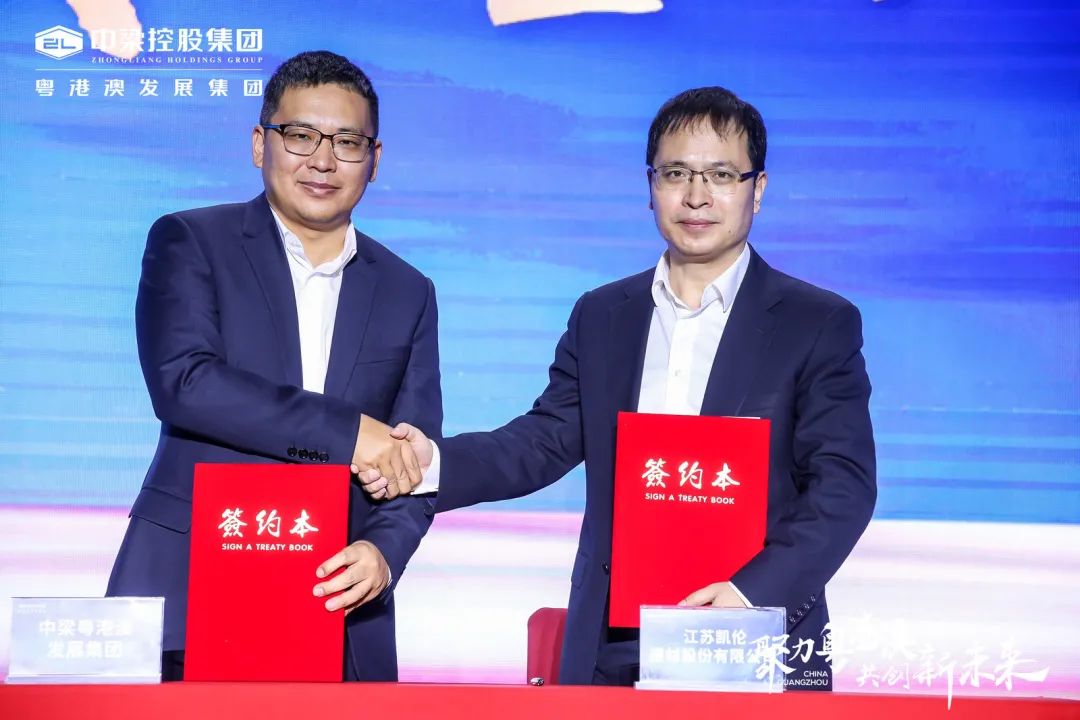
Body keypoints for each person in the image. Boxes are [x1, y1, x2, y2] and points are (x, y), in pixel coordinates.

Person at [364, 87, 876, 688]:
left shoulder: (816, 323)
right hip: (613, 643)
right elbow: (544, 441)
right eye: (676, 173)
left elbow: (843, 487)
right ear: (650, 185)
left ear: (757, 189)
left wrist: (749, 595)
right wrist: (430, 464)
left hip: (754, 636)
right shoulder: (604, 315)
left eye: (721, 175)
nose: (696, 196)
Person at [106, 50, 442, 682]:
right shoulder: (191, 241)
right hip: (192, 588)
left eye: (347, 142)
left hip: (337, 605)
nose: (322, 160)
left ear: (374, 159)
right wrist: (350, 433)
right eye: (300, 135)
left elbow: (412, 455)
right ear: (260, 143)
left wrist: (383, 551)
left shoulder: (407, 290)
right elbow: (185, 383)